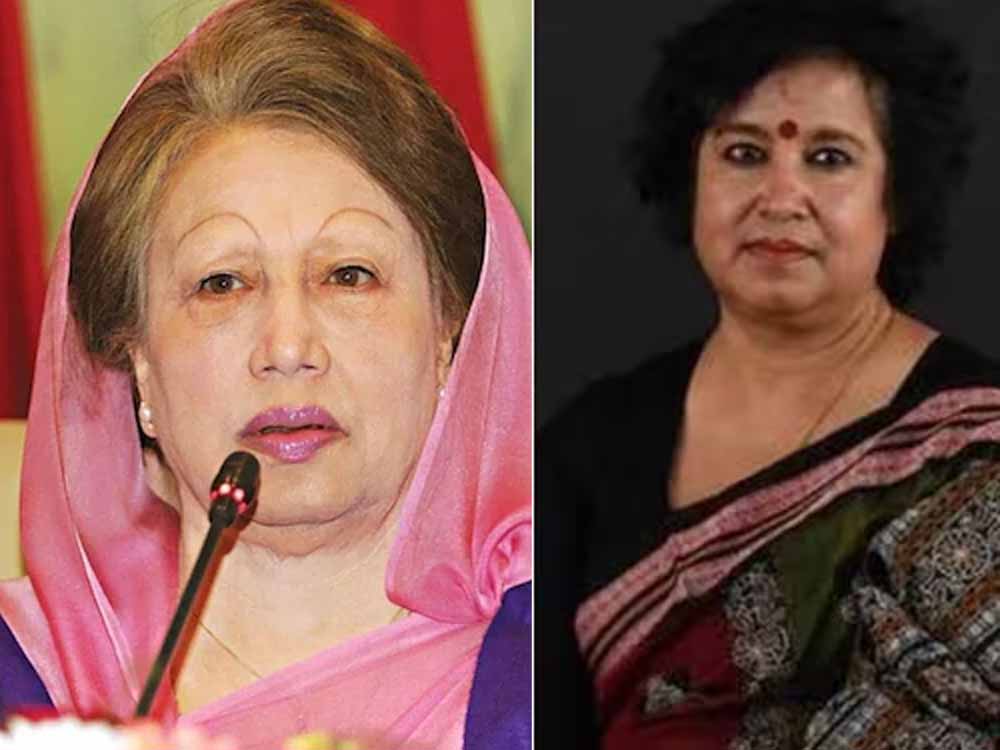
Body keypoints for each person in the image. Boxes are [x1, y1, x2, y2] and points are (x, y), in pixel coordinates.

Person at [0, 1, 531, 748]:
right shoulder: (20, 681)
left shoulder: (554, 669)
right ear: (136, 359)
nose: (287, 346)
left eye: (348, 275)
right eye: (222, 284)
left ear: (451, 333)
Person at [537, 0, 1000, 747]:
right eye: (745, 153)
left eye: (829, 158)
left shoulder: (977, 445)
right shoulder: (588, 445)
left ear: (897, 194)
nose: (781, 198)